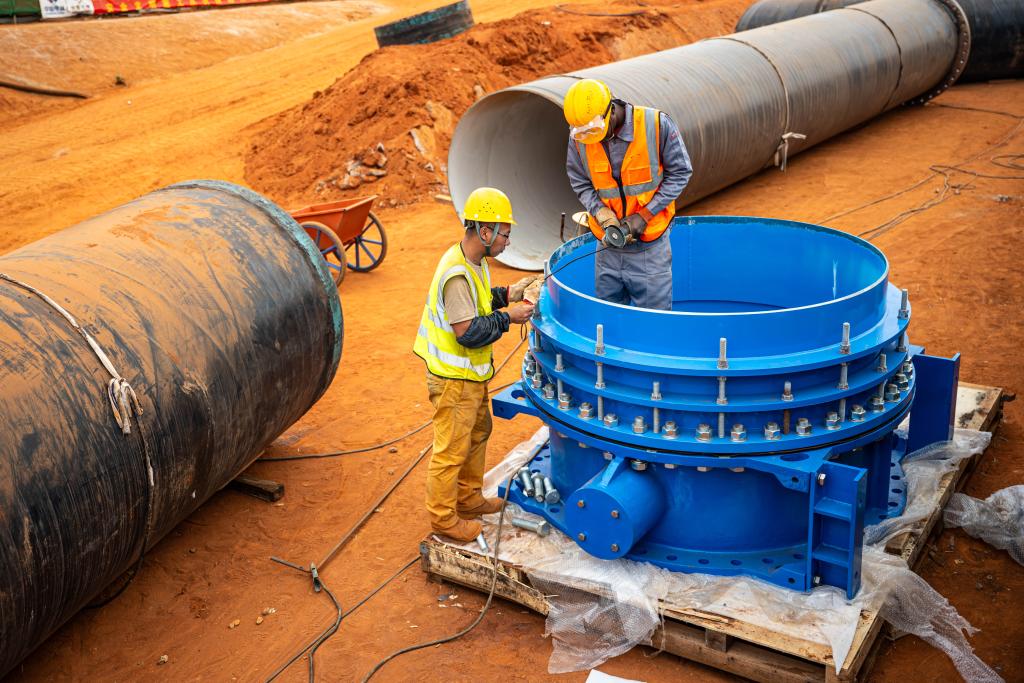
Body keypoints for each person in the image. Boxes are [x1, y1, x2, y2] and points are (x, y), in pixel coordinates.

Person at [413, 187, 537, 542]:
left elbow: (480, 300)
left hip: (470, 376)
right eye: (506, 234)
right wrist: (509, 317)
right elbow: (467, 330)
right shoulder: (455, 274)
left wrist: (508, 293)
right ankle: (443, 519)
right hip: (454, 380)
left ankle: (467, 498)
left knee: (478, 432)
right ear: (485, 232)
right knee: (450, 450)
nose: (507, 242)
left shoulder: (475, 262)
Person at [564, 78, 693, 311]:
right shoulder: (581, 136)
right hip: (607, 246)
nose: (594, 140)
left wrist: (644, 215)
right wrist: (601, 213)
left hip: (650, 248)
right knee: (609, 320)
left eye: (596, 131)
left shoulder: (656, 125)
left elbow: (681, 172)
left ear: (611, 111)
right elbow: (579, 180)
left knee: (653, 324)